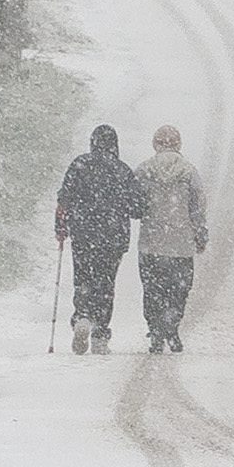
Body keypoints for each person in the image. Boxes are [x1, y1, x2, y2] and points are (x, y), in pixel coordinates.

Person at [54, 124, 146, 354]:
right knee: (105, 283)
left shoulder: (79, 165)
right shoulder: (122, 170)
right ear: (115, 144)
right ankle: (100, 331)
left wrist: (61, 228)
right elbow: (137, 208)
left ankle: (82, 316)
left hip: (83, 234)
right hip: (113, 237)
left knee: (83, 277)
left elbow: (64, 200)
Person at [135, 123, 210, 353]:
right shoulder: (189, 171)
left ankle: (155, 330)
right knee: (179, 289)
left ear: (155, 144)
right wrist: (199, 233)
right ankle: (172, 326)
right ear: (178, 144)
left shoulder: (144, 170)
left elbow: (135, 203)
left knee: (152, 289)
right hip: (180, 243)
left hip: (151, 242)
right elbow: (197, 206)